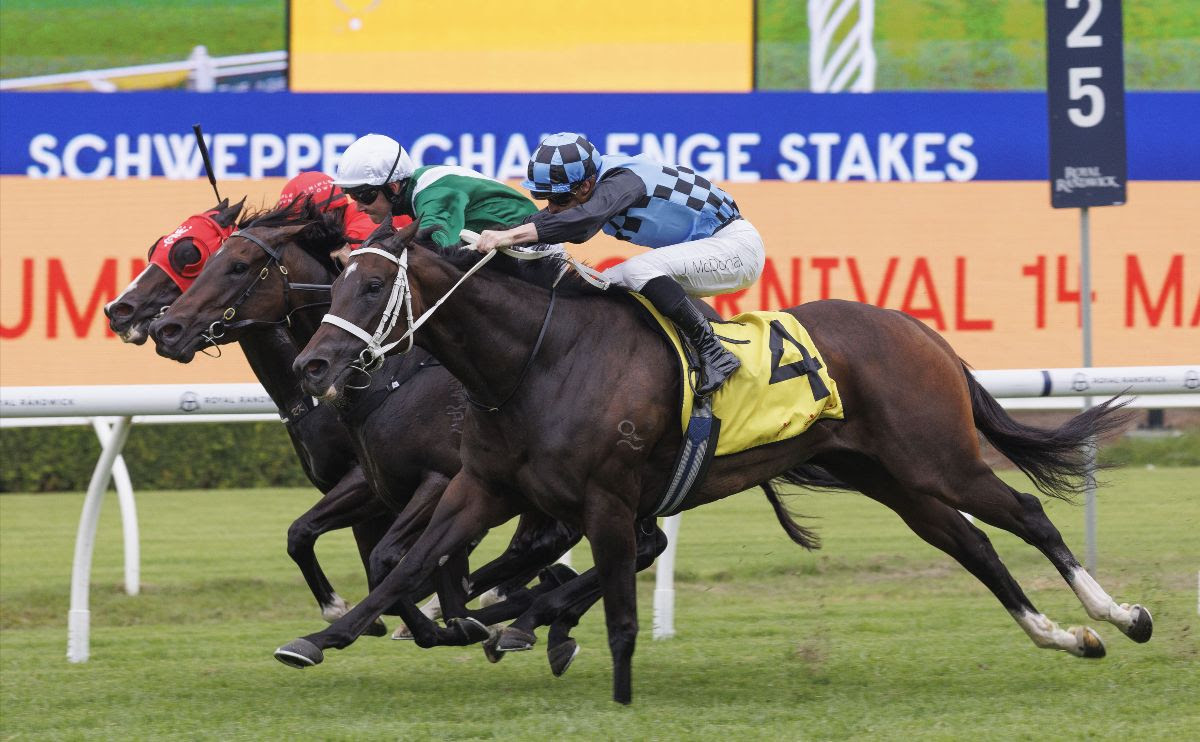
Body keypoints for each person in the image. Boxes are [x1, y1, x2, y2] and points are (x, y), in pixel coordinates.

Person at [473, 133, 765, 396]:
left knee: (637, 271)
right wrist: (481, 245)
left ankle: (714, 351)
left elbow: (582, 222)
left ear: (587, 184)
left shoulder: (625, 181)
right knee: (605, 284)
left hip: (736, 248)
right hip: (712, 247)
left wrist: (511, 236)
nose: (552, 206)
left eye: (558, 197)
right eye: (545, 198)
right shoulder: (594, 184)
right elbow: (550, 221)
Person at [331, 133, 537, 249]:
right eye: (352, 195)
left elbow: (434, 246)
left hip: (530, 247)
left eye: (364, 195)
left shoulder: (434, 194)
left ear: (393, 187)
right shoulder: (418, 189)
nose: (358, 207)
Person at [275, 171, 412, 265]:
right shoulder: (353, 215)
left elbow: (373, 275)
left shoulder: (364, 223)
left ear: (325, 214)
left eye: (304, 225)